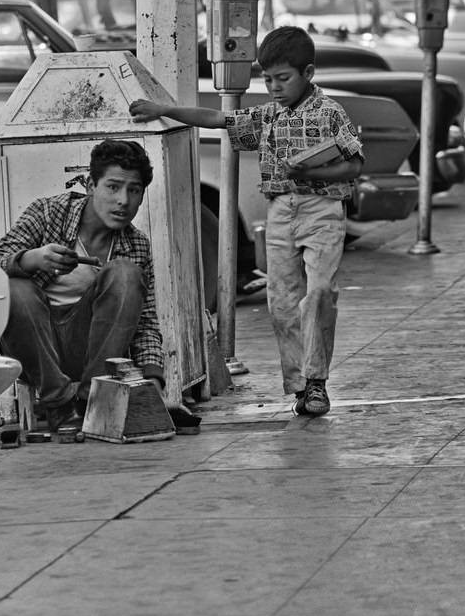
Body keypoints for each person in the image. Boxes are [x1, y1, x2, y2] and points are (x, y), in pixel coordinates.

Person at [129, 25, 363, 416]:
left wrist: (312, 174)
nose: (274, 86)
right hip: (280, 212)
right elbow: (217, 119)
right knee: (281, 301)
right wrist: (166, 110)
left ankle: (317, 379)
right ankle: (301, 386)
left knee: (320, 293)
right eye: (268, 78)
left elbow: (354, 164)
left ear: (308, 73)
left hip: (322, 210)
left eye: (283, 78)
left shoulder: (330, 112)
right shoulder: (267, 115)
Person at [0, 138, 165, 432]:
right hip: (36, 349)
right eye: (113, 186)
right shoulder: (48, 213)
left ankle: (90, 400)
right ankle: (58, 405)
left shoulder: (135, 245)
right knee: (15, 288)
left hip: (90, 354)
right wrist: (31, 259)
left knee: (125, 273)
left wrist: (155, 380)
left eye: (134, 190)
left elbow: (144, 321)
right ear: (90, 185)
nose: (123, 200)